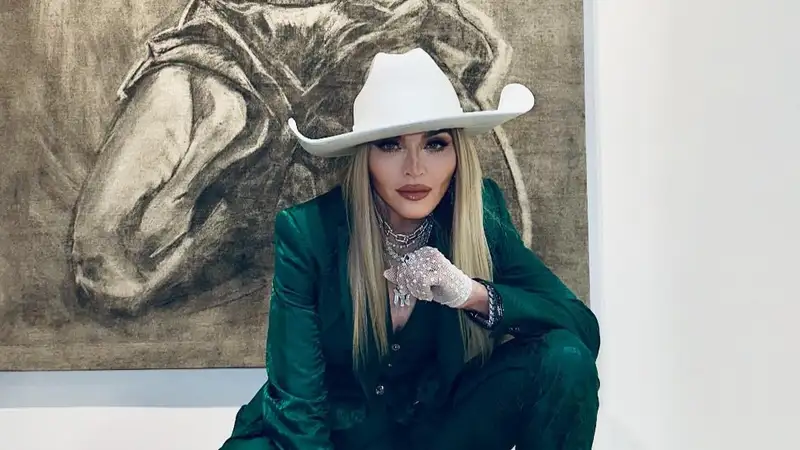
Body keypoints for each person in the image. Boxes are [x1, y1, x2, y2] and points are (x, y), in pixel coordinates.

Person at [220, 48, 600, 450]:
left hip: (437, 433)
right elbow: (298, 406)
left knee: (565, 359)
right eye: (390, 145)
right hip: (334, 435)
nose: (415, 168)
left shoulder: (480, 214)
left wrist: (472, 294)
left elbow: (581, 330)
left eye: (435, 144)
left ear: (457, 154)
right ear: (365, 157)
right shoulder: (308, 232)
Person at [69, 0, 526, 317]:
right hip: (233, 36)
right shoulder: (199, 77)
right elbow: (103, 265)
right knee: (113, 249)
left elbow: (521, 289)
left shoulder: (405, 64)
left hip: (374, 29)